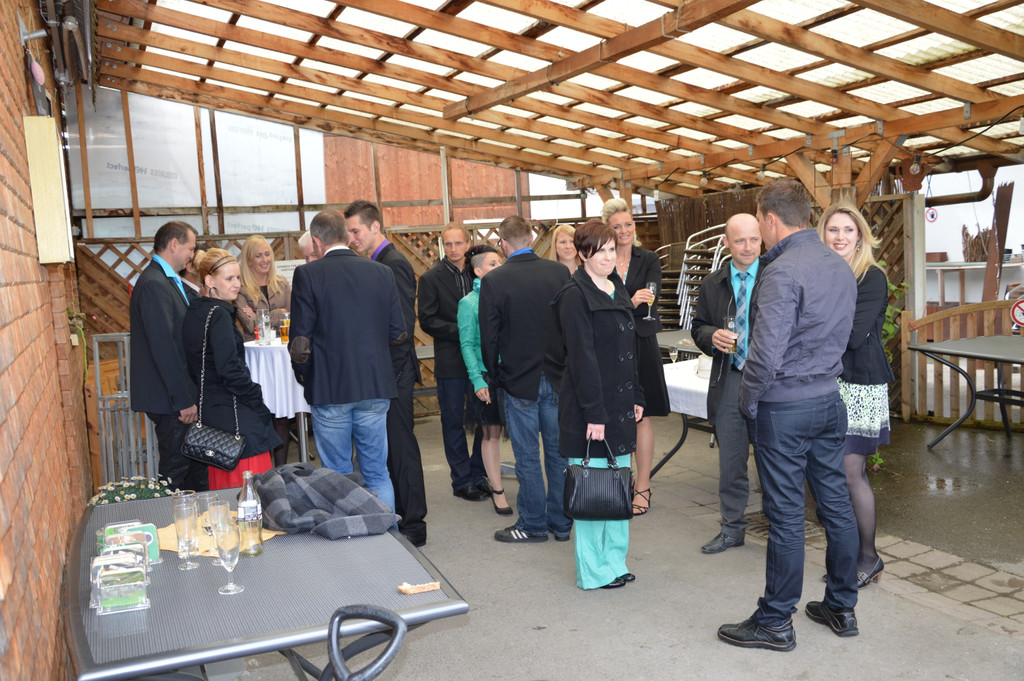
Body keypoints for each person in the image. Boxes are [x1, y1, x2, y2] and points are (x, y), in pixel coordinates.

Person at [718, 179, 860, 651]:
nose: (760, 230)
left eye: (760, 221)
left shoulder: (781, 271)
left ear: (771, 219)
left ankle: (776, 620)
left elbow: (765, 354)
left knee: (785, 516)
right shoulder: (838, 265)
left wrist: (748, 401)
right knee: (835, 504)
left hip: (786, 406)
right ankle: (841, 606)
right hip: (829, 399)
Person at [289, 210, 406, 512]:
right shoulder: (382, 272)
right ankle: (385, 537)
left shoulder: (308, 274)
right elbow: (398, 333)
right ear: (346, 235)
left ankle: (348, 536)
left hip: (330, 388)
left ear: (317, 242)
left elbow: (300, 345)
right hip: (375, 386)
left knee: (337, 476)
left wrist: (305, 375)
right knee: (377, 472)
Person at [551, 221, 645, 589]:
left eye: (611, 249)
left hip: (619, 406)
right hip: (590, 410)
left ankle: (615, 562)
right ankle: (592, 572)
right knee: (592, 490)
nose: (608, 256)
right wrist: (594, 413)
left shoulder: (616, 286)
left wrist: (637, 396)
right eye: (600, 250)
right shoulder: (574, 295)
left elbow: (629, 350)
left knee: (617, 487)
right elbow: (581, 359)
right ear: (582, 253)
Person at [479, 215, 571, 543]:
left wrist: (494, 375)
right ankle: (561, 523)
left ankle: (533, 525)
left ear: (503, 243)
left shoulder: (495, 280)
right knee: (559, 454)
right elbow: (570, 324)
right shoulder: (559, 273)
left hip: (518, 380)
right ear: (531, 238)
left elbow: (488, 337)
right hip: (557, 376)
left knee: (528, 456)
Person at [818, 202, 895, 588]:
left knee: (851, 472)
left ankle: (868, 557)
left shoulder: (871, 277)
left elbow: (851, 336)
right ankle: (846, 557)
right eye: (833, 229)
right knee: (830, 473)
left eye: (848, 230)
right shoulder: (824, 274)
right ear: (823, 234)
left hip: (860, 384)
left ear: (860, 235)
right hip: (829, 381)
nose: (840, 237)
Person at [345, 199, 429, 547]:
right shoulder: (377, 263)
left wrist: (389, 376)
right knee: (390, 450)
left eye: (356, 231)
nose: (351, 239)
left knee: (400, 448)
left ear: (375, 227)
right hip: (386, 373)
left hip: (394, 374)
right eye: (349, 232)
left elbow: (402, 328)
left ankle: (413, 522)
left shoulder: (393, 264)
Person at [690, 213, 761, 554]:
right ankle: (732, 528)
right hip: (730, 378)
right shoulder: (712, 283)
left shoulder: (776, 277)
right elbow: (698, 327)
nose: (747, 247)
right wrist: (711, 336)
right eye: (739, 240)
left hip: (770, 383)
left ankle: (782, 530)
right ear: (726, 243)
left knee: (774, 461)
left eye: (754, 239)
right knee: (731, 463)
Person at [181, 249, 280, 489]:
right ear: (209, 281)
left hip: (213, 413)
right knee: (253, 491)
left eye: (237, 278)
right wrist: (255, 396)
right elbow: (229, 369)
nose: (237, 284)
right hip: (235, 414)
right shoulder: (219, 315)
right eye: (229, 278)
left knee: (224, 491)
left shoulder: (195, 311)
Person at [602, 198, 670, 515]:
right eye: (617, 226)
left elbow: (653, 294)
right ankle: (622, 480)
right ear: (608, 230)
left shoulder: (649, 258)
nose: (624, 230)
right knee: (616, 414)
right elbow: (603, 305)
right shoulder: (603, 259)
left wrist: (628, 304)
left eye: (628, 224)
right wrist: (630, 302)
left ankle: (643, 485)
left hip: (642, 342)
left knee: (642, 415)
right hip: (611, 344)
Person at [129, 221, 207, 491]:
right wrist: (183, 400)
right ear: (174, 245)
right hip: (170, 400)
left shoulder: (166, 280)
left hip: (174, 396)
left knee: (192, 470)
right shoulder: (154, 284)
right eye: (190, 248)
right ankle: (168, 516)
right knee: (175, 473)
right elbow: (164, 347)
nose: (192, 255)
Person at [418, 223, 489, 502]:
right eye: (447, 244)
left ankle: (479, 473)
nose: (453, 249)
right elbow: (427, 320)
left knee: (484, 420)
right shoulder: (430, 278)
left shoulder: (479, 272)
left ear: (468, 243)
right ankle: (462, 480)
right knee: (453, 421)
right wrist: (463, 330)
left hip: (481, 360)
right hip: (451, 361)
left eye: (458, 243)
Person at [457, 244, 511, 516]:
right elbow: (466, 345)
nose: (499, 266)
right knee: (490, 433)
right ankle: (498, 491)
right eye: (492, 263)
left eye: (500, 262)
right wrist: (478, 381)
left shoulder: (508, 295)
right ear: (478, 271)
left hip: (511, 373)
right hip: (486, 376)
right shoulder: (468, 303)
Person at [234, 235, 293, 467]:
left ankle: (282, 470)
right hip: (257, 362)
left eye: (267, 254)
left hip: (282, 361)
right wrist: (280, 312)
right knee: (263, 415)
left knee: (282, 417)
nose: (265, 259)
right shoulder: (240, 289)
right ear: (249, 260)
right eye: (258, 255)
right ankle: (265, 472)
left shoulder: (282, 284)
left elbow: (294, 317)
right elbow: (250, 326)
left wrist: (263, 316)